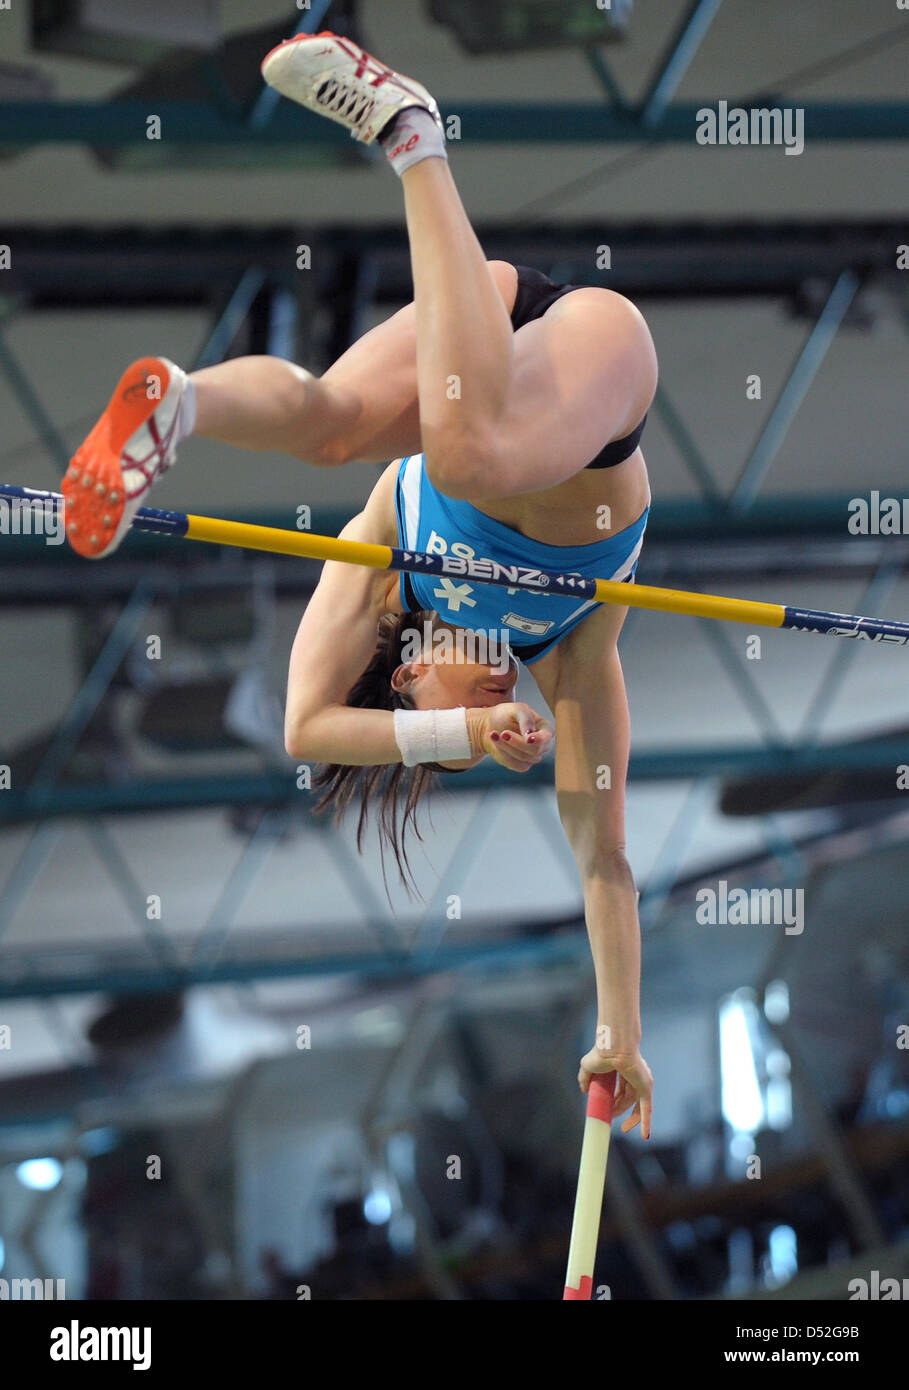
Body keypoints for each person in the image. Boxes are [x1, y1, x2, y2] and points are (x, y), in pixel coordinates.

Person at [63, 31, 654, 1140]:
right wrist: (619, 1030)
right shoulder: (580, 653)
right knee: (443, 444)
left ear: (405, 669)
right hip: (594, 372)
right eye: (493, 713)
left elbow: (303, 726)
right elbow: (607, 858)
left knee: (344, 433)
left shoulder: (388, 553)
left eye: (447, 714)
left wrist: (456, 747)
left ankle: (181, 397)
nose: (489, 709)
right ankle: (401, 161)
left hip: (483, 336)